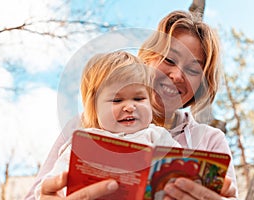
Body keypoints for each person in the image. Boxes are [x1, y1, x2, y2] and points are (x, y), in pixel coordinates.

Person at [25, 10, 238, 200]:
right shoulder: (84, 126)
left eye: (193, 70)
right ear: (147, 59)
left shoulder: (209, 141)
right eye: (169, 60)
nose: (176, 75)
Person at [33, 51, 181, 199]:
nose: (130, 107)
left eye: (139, 98)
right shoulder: (85, 141)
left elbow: (182, 167)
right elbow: (49, 185)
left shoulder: (157, 136)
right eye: (117, 100)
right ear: (94, 108)